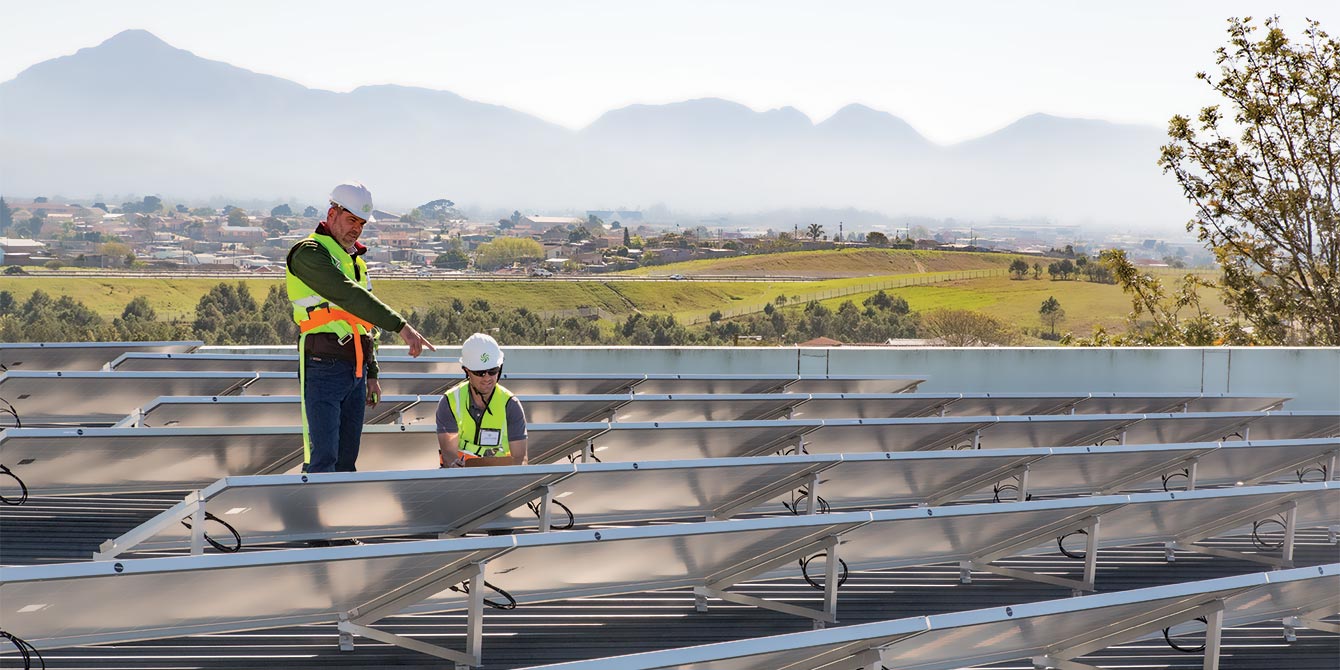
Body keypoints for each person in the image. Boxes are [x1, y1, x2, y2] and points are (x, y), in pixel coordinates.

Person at [286, 181, 436, 473]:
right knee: (322, 458)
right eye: (351, 219)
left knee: (345, 460)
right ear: (332, 213)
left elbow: (364, 323)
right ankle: (313, 516)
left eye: (362, 223)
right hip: (322, 364)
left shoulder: (355, 261)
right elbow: (347, 295)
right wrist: (401, 326)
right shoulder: (309, 253)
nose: (356, 228)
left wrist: (371, 372)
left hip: (355, 368)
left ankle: (337, 516)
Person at [436, 333, 528, 469]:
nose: (487, 378)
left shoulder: (510, 404)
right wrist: (455, 465)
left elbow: (520, 459)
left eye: (493, 371)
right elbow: (449, 452)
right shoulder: (450, 401)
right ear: (467, 371)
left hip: (500, 480)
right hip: (459, 480)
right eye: (480, 373)